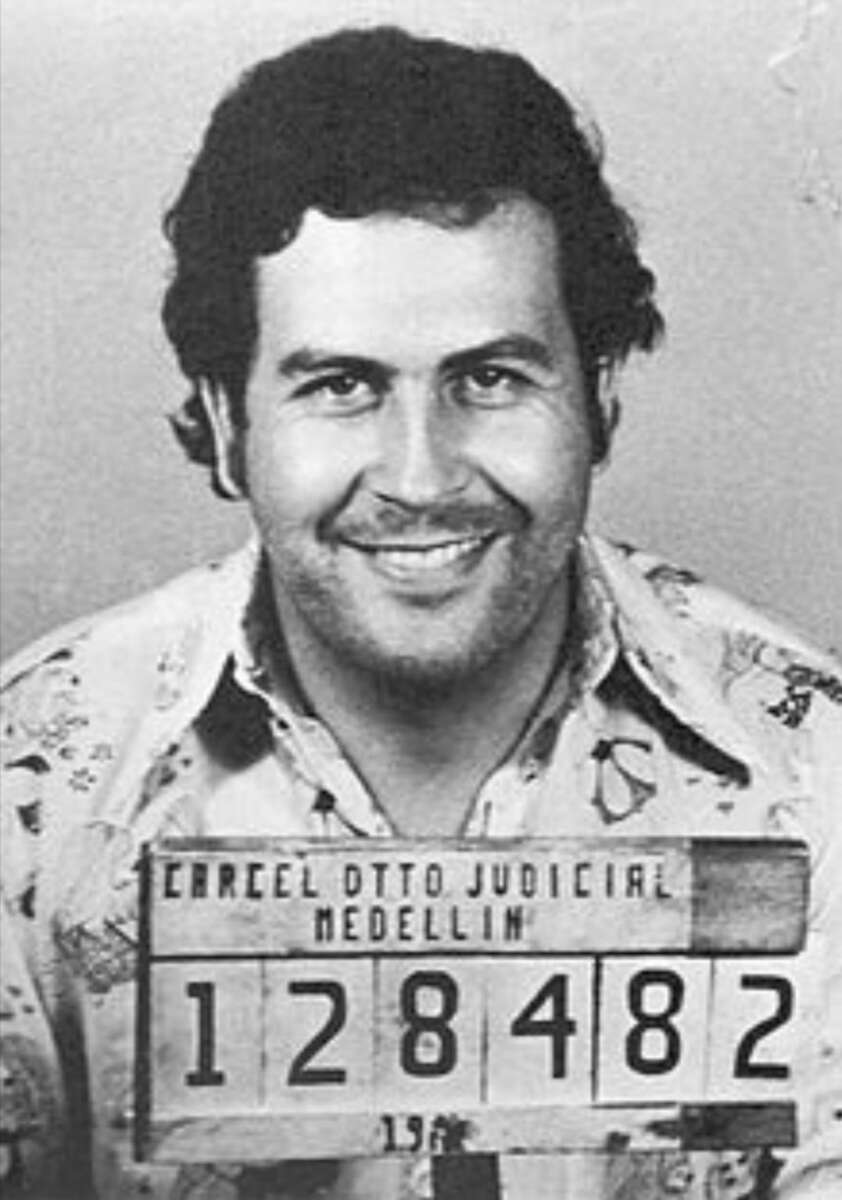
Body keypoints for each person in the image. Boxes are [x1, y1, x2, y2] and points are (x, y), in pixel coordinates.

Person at [1, 24, 840, 1200]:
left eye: (489, 379)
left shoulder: (814, 767)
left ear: (597, 395)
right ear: (227, 423)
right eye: (339, 386)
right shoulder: (30, 790)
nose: (420, 475)